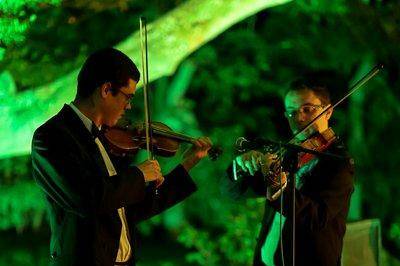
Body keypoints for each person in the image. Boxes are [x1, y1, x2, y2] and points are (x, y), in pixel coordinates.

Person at [31, 47, 212, 266]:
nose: (129, 106)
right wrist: (138, 174)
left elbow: (128, 208)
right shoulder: (51, 137)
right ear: (106, 90)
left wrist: (187, 164)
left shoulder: (104, 138)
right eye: (128, 96)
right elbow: (87, 199)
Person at [221, 80, 354, 266]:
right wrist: (241, 166)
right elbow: (234, 192)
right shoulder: (289, 153)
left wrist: (278, 187)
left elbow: (316, 218)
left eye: (307, 109)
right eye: (291, 112)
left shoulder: (338, 164)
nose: (298, 118)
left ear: (328, 111)